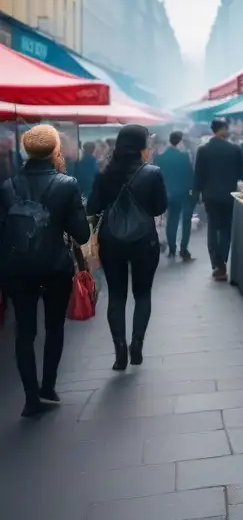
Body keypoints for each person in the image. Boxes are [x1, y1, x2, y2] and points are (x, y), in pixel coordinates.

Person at [0, 125, 90, 417]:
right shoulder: (67, 183)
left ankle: (30, 398)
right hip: (54, 267)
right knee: (54, 327)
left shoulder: (7, 186)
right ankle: (48, 385)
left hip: (16, 268)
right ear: (54, 150)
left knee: (23, 332)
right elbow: (82, 234)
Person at [87, 125, 167, 371]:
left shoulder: (104, 173)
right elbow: (159, 208)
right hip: (144, 240)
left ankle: (119, 350)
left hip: (111, 240)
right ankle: (137, 346)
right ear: (141, 146)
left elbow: (93, 206)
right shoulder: (152, 173)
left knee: (116, 296)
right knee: (142, 294)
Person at [194, 118, 243, 281]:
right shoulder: (235, 149)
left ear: (212, 130)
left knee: (212, 227)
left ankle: (217, 264)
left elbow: (198, 175)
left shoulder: (203, 150)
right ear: (223, 129)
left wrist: (196, 194)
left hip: (209, 196)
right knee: (226, 228)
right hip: (229, 195)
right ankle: (223, 259)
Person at [155, 131, 195, 261]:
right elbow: (190, 175)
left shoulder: (160, 158)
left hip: (167, 194)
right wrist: (191, 191)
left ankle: (172, 249)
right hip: (183, 193)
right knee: (185, 221)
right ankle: (184, 249)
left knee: (171, 220)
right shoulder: (184, 156)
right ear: (180, 141)